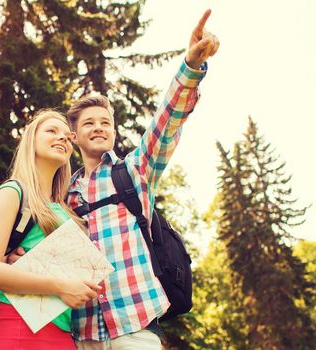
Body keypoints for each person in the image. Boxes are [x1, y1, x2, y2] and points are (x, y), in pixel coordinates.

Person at [63, 9, 220, 350]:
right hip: (82, 331)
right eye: (88, 123)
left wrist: (191, 67)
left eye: (105, 122)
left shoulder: (135, 171)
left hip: (135, 323)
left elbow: (166, 122)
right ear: (74, 136)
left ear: (114, 131)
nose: (98, 127)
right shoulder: (65, 195)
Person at [0, 110, 101, 350]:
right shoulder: (13, 193)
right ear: (31, 141)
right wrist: (62, 286)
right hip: (17, 327)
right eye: (52, 131)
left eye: (66, 135)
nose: (63, 138)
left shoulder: (63, 208)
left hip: (62, 331)